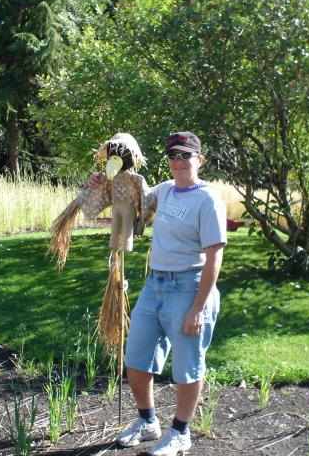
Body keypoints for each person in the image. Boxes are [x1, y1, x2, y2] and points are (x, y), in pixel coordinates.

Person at [90, 131, 227, 456]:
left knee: (187, 365)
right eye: (173, 156)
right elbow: (130, 200)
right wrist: (103, 183)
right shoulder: (163, 191)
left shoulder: (208, 199)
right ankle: (147, 421)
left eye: (185, 155)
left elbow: (214, 257)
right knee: (136, 358)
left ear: (199, 159)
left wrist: (198, 308)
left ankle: (180, 432)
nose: (178, 161)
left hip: (189, 286)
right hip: (155, 286)